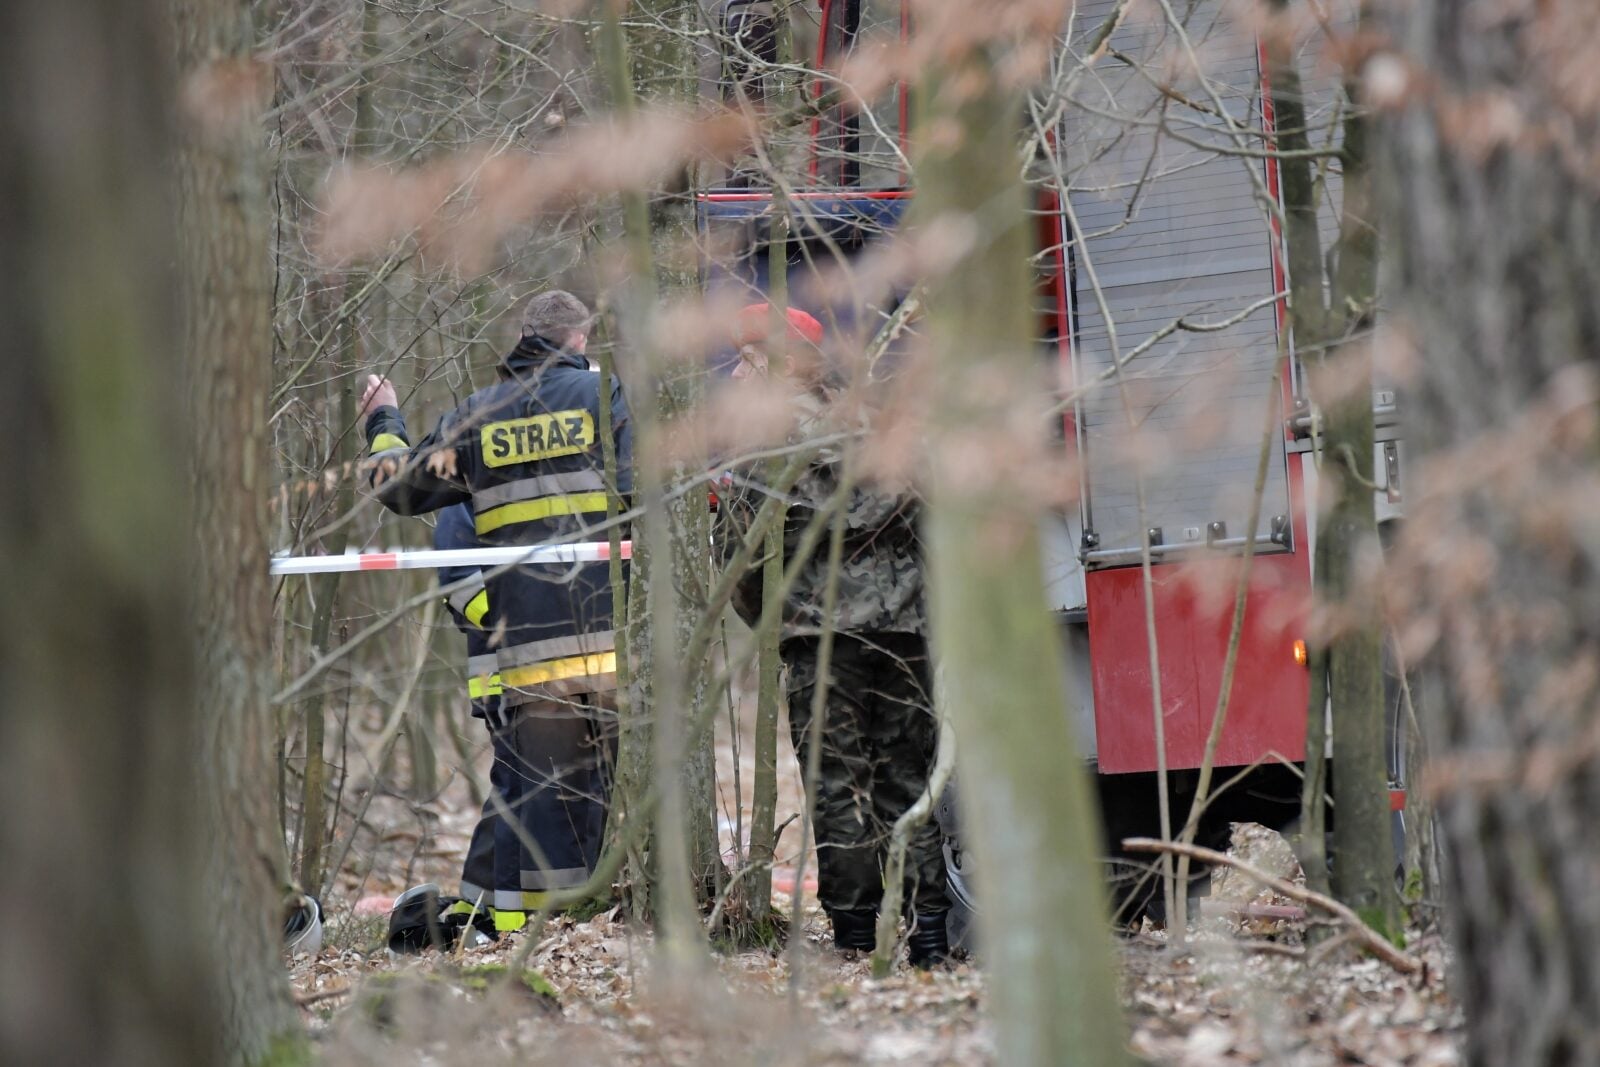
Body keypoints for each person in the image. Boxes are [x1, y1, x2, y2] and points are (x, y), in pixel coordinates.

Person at [363, 290, 630, 944]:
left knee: (530, 788)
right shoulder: (605, 399)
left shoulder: (479, 416)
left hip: (521, 652)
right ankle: (553, 923)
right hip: (602, 641)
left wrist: (383, 417)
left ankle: (513, 927)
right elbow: (650, 489)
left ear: (524, 338)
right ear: (579, 341)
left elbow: (395, 483)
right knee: (583, 791)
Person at [720, 302, 950, 968]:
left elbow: (741, 554)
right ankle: (929, 931)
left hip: (820, 638)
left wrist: (773, 617)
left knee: (837, 781)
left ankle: (855, 935)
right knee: (908, 779)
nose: (739, 370)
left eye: (749, 356)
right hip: (904, 632)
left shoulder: (764, 442)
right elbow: (936, 516)